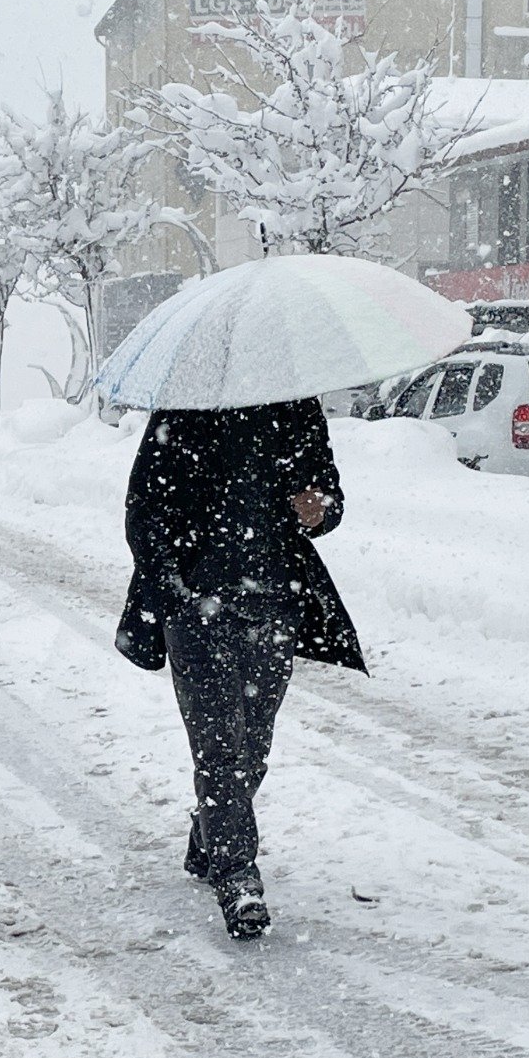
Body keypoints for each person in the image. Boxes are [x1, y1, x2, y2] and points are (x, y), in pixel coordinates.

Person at [115, 398, 366, 939]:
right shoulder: (182, 411)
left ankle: (209, 836)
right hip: (197, 605)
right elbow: (142, 513)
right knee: (217, 741)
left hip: (273, 598)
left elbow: (326, 490)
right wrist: (178, 588)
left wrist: (320, 506)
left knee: (252, 741)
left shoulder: (295, 406)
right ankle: (237, 875)